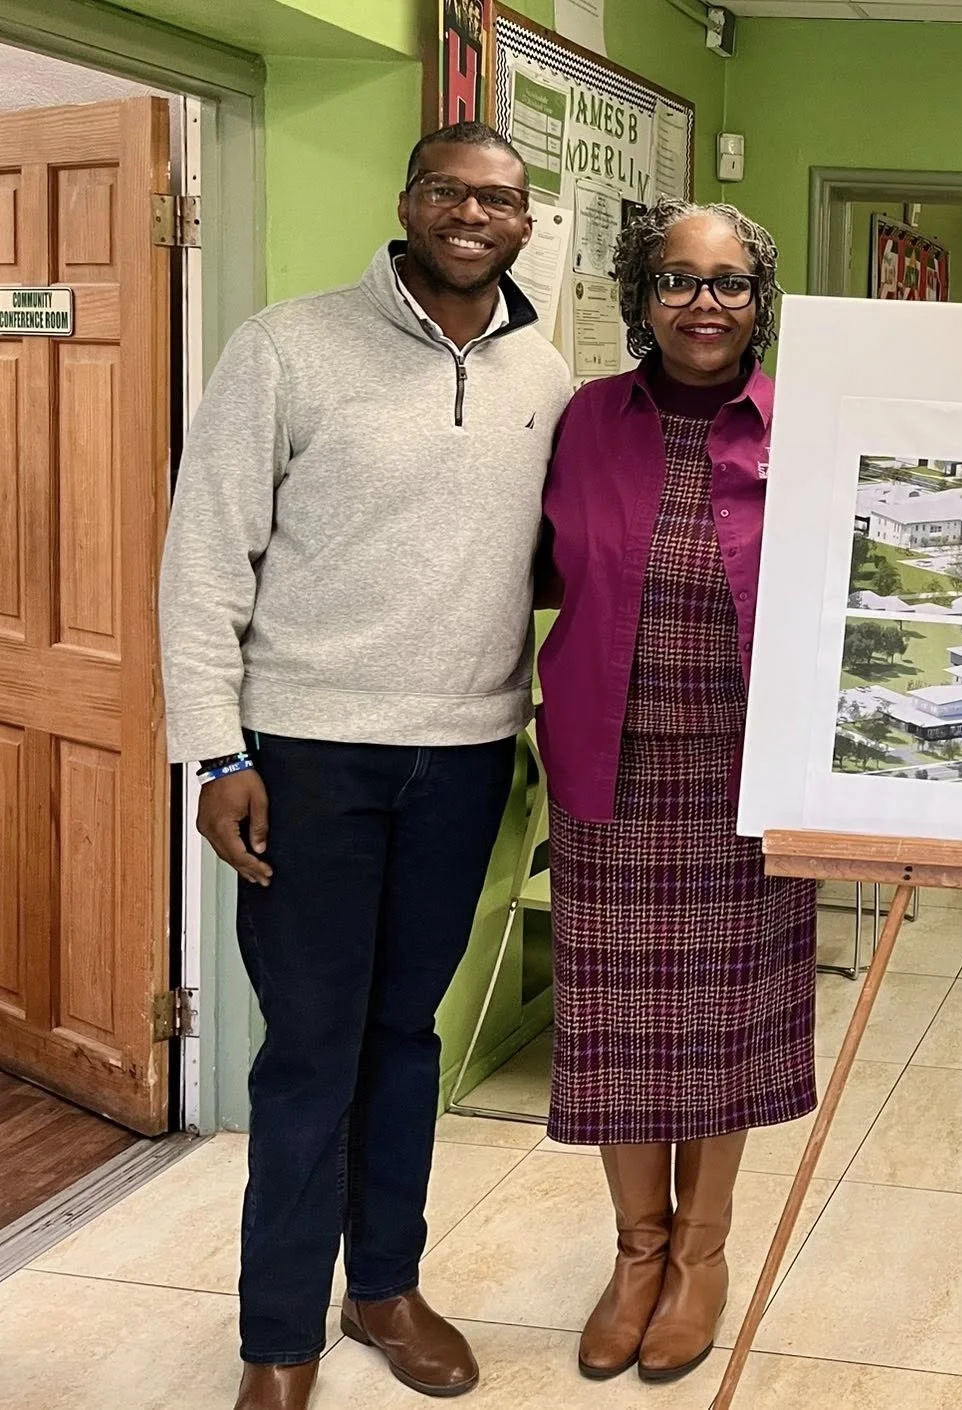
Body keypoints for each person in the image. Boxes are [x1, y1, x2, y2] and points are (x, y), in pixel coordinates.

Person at [158, 123, 572, 1410]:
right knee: (308, 1052)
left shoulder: (545, 373)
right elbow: (203, 560)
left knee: (405, 1037)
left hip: (465, 756)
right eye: (449, 191)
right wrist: (213, 753)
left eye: (498, 200)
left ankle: (383, 1286)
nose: (472, 215)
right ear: (408, 202)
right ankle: (278, 1338)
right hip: (306, 758)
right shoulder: (287, 347)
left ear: (525, 223)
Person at [535, 200, 814, 1383]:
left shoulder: (806, 426)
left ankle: (700, 1254)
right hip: (611, 769)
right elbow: (527, 568)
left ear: (760, 300)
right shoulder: (585, 420)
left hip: (751, 777)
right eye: (679, 280)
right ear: (641, 297)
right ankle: (634, 1253)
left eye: (730, 282)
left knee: (723, 1028)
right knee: (619, 1030)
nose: (705, 304)